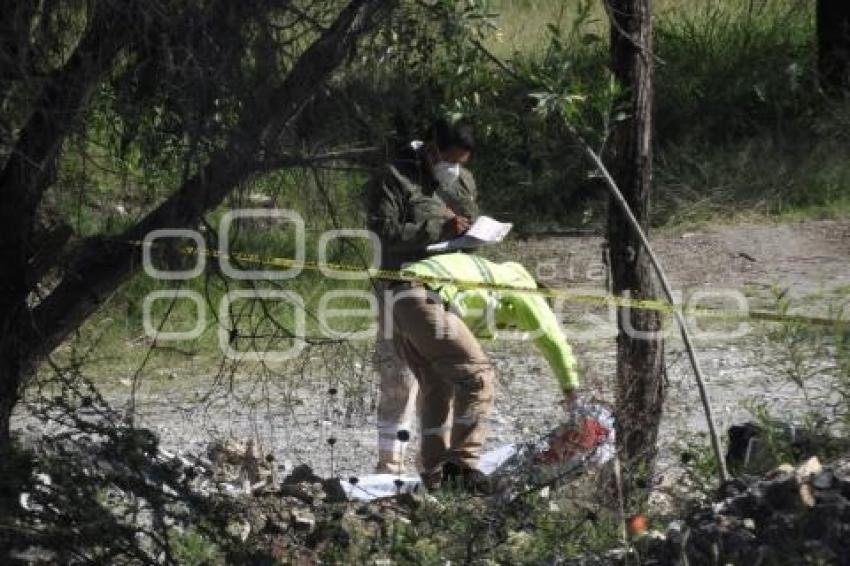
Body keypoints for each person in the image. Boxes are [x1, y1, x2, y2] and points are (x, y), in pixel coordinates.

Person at [365, 118, 481, 479]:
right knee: (398, 377)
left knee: (444, 376)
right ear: (432, 149)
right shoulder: (393, 177)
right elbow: (383, 232)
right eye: (449, 160)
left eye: (461, 162)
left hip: (446, 287)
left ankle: (435, 463)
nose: (455, 169)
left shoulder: (462, 180)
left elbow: (471, 217)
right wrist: (437, 229)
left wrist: (473, 231)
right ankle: (390, 465)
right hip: (399, 286)